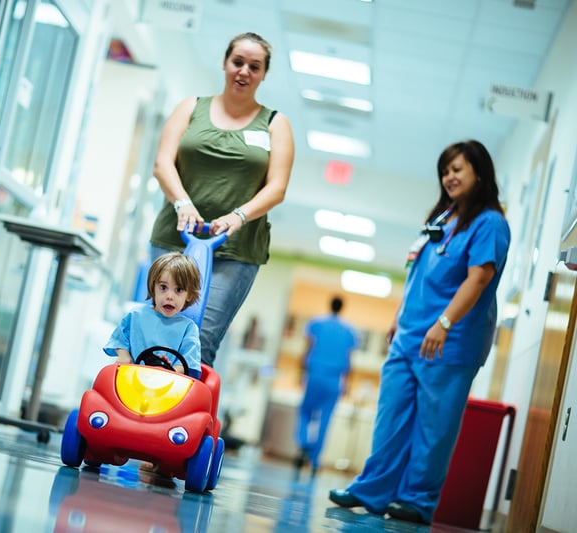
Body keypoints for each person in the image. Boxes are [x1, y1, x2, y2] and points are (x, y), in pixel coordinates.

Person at [328, 140, 511, 525]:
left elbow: (478, 278)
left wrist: (443, 324)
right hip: (410, 334)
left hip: (451, 340)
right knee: (390, 416)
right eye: (446, 170)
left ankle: (418, 499)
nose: (449, 177)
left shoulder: (489, 222)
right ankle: (372, 489)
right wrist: (399, 314)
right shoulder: (443, 217)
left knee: (434, 424)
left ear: (480, 173)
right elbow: (418, 273)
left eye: (458, 169)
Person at [149, 31, 295, 368]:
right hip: (175, 238)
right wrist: (182, 203)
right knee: (158, 332)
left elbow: (277, 187)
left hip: (235, 250)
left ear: (263, 74)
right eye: (238, 62)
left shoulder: (276, 124)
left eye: (254, 66)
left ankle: (184, 420)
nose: (244, 71)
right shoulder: (191, 108)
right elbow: (162, 163)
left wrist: (239, 216)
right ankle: (143, 415)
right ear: (225, 63)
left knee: (200, 338)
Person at [104, 252, 202, 378]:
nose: (169, 296)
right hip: (130, 381)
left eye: (179, 290)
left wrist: (169, 370)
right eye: (163, 287)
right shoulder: (136, 316)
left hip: (168, 388)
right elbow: (119, 340)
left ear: (189, 295)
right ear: (153, 287)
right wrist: (124, 356)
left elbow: (188, 363)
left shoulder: (188, 328)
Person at [294, 296, 358, 476]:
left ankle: (304, 443)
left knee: (305, 412)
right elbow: (349, 359)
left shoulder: (316, 323)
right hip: (335, 379)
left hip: (315, 375)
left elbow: (307, 348)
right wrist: (348, 384)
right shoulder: (349, 330)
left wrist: (300, 373)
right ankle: (315, 459)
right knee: (325, 419)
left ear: (330, 305)